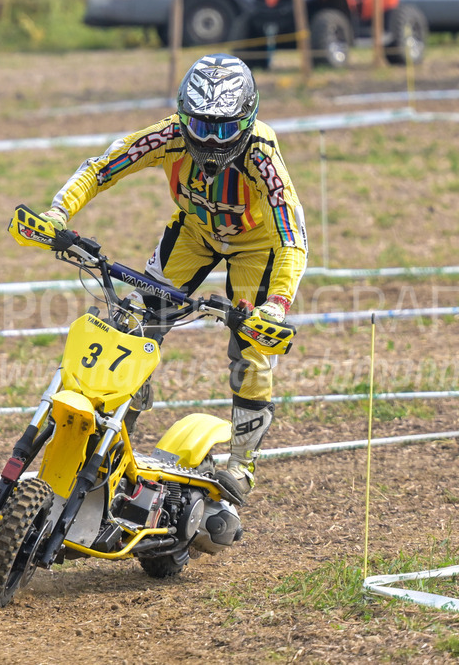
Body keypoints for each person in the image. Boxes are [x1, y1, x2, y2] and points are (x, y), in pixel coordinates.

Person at [38, 54, 308, 505]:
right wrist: (57, 211)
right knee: (137, 328)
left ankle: (241, 465)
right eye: (197, 124)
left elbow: (291, 235)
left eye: (222, 129)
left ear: (247, 118)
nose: (207, 139)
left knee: (251, 347)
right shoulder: (167, 135)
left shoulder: (262, 155)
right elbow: (103, 165)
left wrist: (276, 305)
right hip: (193, 234)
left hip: (254, 247)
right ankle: (114, 436)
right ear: (182, 114)